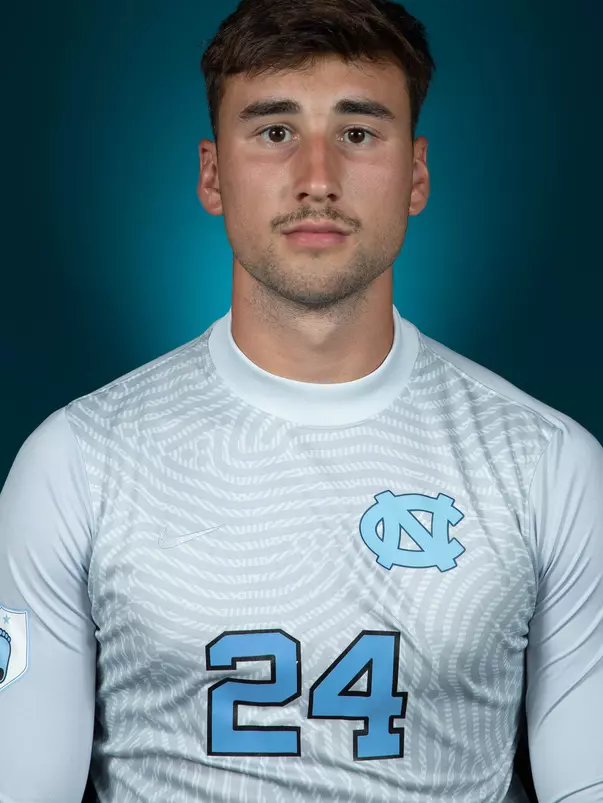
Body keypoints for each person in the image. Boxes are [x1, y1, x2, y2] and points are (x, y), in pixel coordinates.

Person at [1, 0, 602, 800]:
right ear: (212, 174)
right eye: (274, 131)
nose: (316, 179)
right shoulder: (73, 462)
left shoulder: (548, 465)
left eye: (357, 133)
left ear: (415, 174)